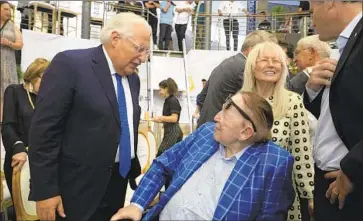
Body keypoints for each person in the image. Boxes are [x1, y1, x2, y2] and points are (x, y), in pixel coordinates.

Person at [28, 13, 151, 221]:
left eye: (147, 52)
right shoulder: (71, 65)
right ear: (115, 39)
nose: (143, 58)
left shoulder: (133, 80)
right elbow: (44, 132)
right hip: (75, 192)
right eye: (139, 49)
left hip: (116, 184)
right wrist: (45, 190)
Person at [110, 91, 295, 221]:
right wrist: (138, 205)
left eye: (226, 113)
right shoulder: (207, 133)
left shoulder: (273, 163)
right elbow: (162, 165)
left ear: (245, 132)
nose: (216, 117)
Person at [242, 41, 314, 221]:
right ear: (252, 66)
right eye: (264, 60)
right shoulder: (238, 102)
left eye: (276, 61)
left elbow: (301, 153)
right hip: (241, 190)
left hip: (278, 195)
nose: (271, 65)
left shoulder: (293, 102)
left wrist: (310, 196)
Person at [303, 2, 362, 221]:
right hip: (332, 182)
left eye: (311, 10)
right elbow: (341, 113)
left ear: (329, 2)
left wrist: (354, 168)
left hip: (350, 185)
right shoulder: (344, 45)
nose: (311, 19)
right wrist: (313, 91)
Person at [197, 30, 277, 128]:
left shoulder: (227, 63)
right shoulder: (245, 67)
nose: (269, 61)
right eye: (266, 54)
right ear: (252, 50)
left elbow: (201, 98)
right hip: (222, 131)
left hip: (206, 127)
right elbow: (256, 106)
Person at [1, 58, 49, 221]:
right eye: (45, 79)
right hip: (19, 162)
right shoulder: (14, 91)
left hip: (45, 163)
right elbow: (7, 126)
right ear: (33, 76)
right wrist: (18, 148)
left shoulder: (49, 97)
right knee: (25, 214)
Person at [1, 1, 23, 120]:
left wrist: (8, 43)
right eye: (5, 9)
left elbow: (20, 44)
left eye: (9, 10)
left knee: (6, 91)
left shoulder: (13, 26)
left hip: (7, 63)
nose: (8, 12)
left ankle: (3, 121)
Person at [152, 78, 183, 157]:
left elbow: (174, 118)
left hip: (173, 132)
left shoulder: (173, 100)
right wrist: (160, 120)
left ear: (167, 89)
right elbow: (169, 118)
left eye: (160, 89)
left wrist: (161, 118)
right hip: (170, 132)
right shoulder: (168, 100)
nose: (159, 92)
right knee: (170, 158)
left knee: (161, 155)